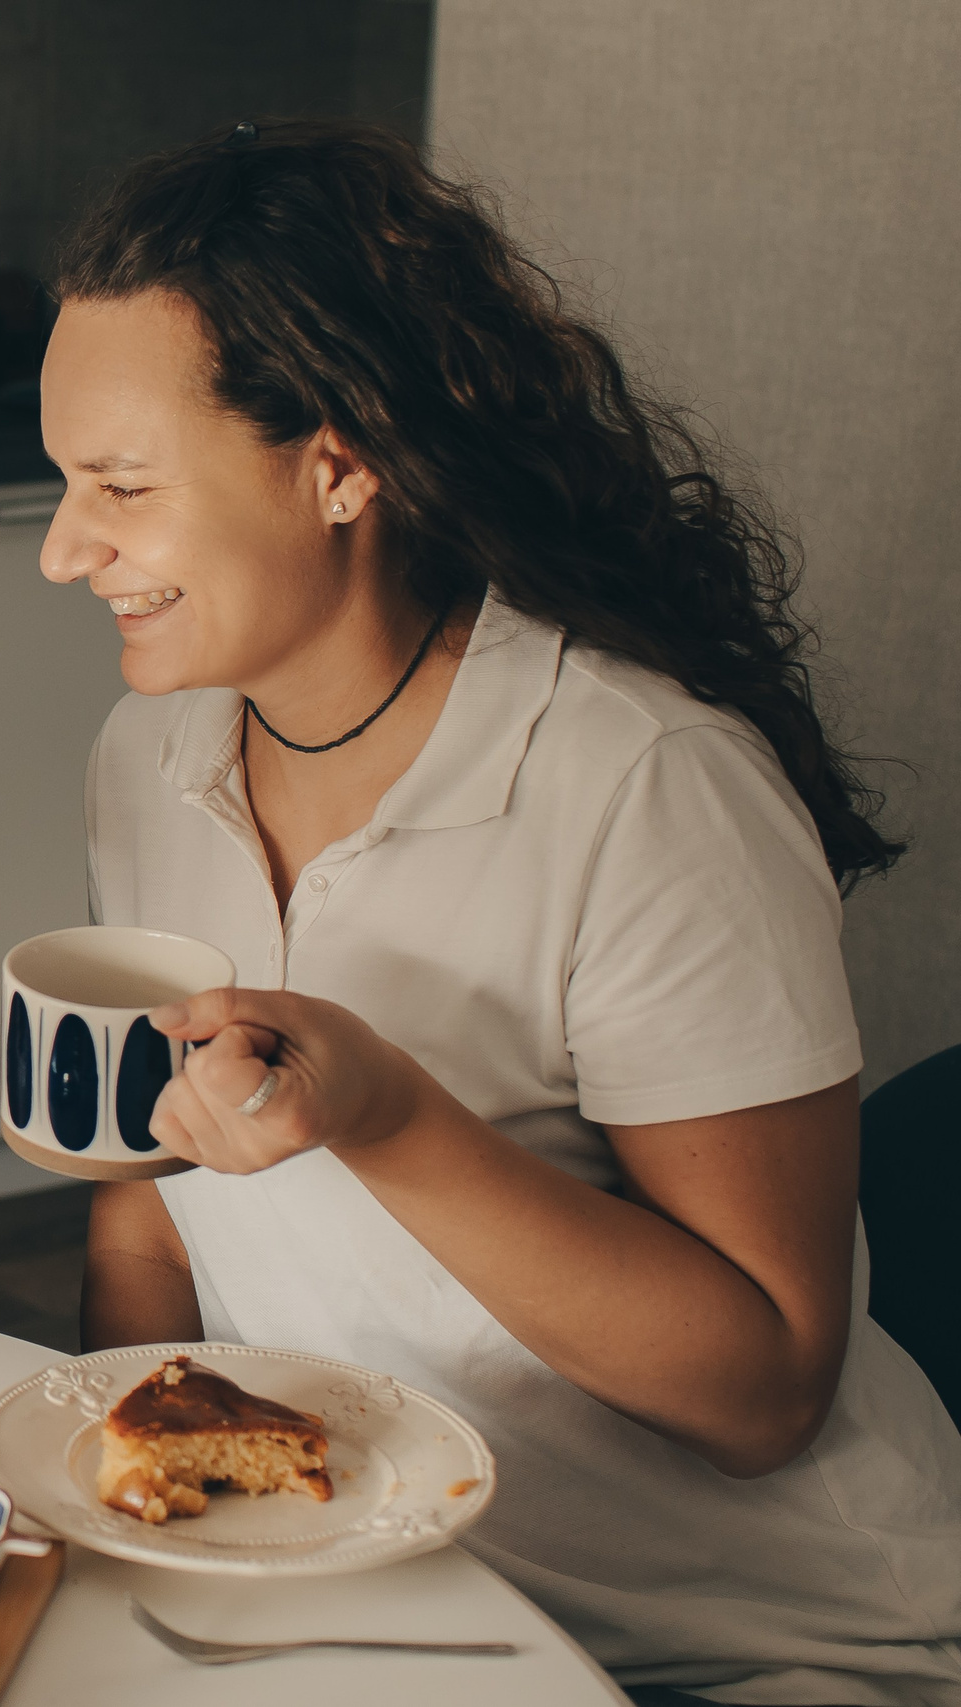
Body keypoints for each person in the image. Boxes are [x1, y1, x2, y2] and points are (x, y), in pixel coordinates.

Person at [48, 121, 961, 1704]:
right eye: (64, 485)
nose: (68, 550)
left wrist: (388, 1108)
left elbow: (763, 1388)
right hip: (366, 1591)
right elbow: (153, 1205)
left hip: (734, 1646)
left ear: (340, 464)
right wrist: (120, 1514)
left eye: (122, 486)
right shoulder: (153, 752)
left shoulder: (644, 782)